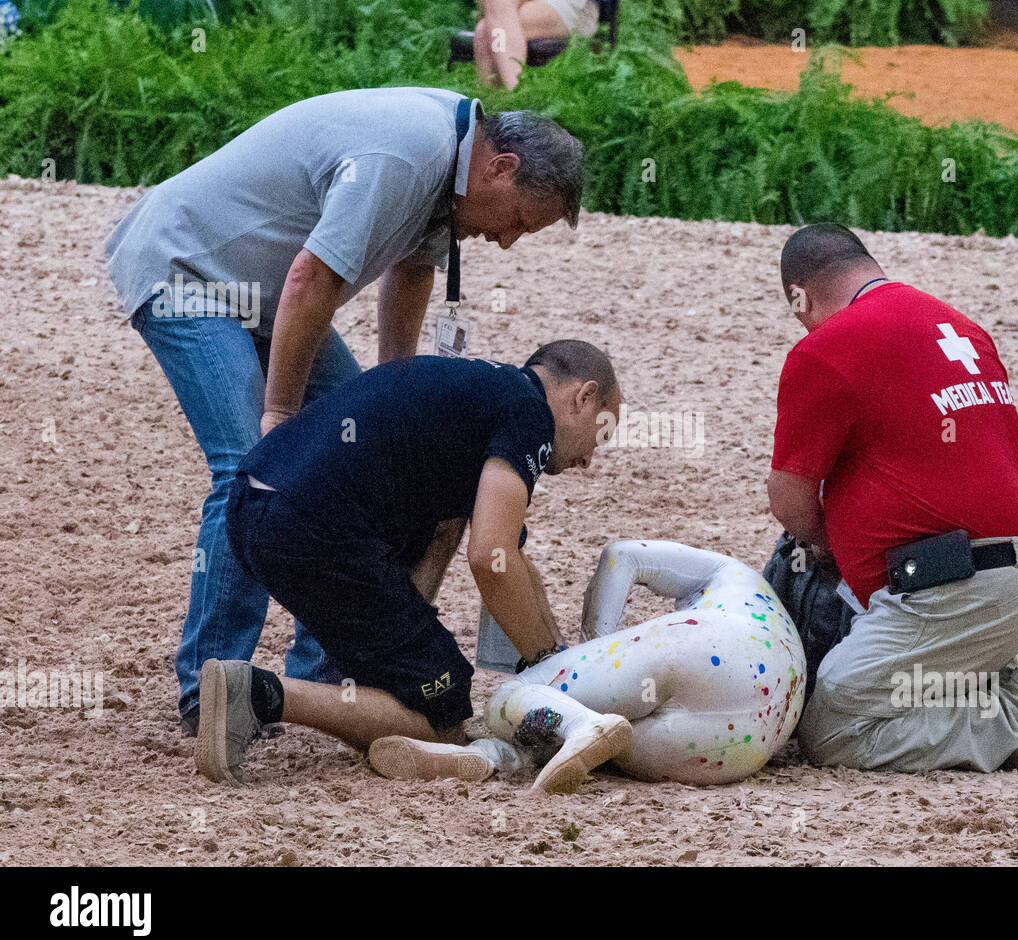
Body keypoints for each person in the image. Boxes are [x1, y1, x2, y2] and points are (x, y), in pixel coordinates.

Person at [103, 86, 584, 735]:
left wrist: (398, 403)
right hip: (188, 271)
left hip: (271, 294)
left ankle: (314, 677)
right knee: (253, 465)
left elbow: (411, 272)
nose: (506, 242)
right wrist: (277, 413)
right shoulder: (410, 154)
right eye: (521, 221)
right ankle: (207, 690)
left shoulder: (454, 168)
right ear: (502, 168)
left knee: (366, 461)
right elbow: (311, 279)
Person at [766, 223, 1018, 773]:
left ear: (799, 296)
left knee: (833, 725)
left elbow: (789, 502)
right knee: (886, 681)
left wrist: (828, 547)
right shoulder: (961, 327)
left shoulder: (826, 349)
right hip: (1014, 573)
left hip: (950, 588)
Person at [193, 340, 620, 786]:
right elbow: (491, 560)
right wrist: (554, 669)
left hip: (253, 506)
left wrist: (418, 635)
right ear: (584, 397)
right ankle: (257, 694)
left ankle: (373, 716)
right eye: (601, 432)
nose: (588, 460)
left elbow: (493, 548)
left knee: (417, 679)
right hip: (314, 525)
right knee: (443, 709)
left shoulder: (482, 393)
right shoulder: (529, 414)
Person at [368, 539, 806, 793]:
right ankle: (489, 757)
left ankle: (573, 726)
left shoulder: (727, 571)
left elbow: (624, 555)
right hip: (738, 749)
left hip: (714, 648)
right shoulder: (769, 612)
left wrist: (595, 650)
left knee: (516, 693)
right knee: (574, 726)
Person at [473, 0, 599, 90]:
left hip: (573, 6)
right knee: (483, 32)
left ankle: (515, 97)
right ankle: (494, 114)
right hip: (516, 7)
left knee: (487, 32)